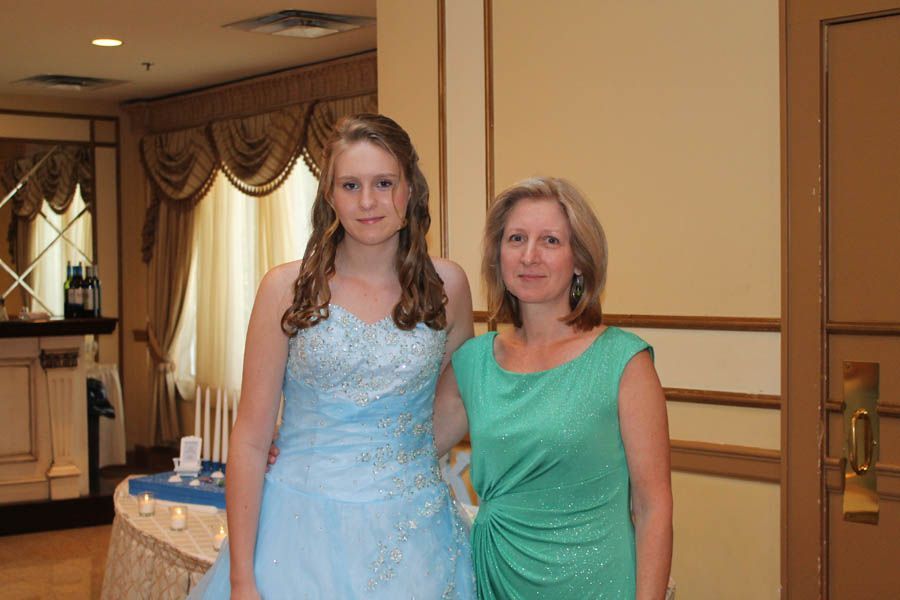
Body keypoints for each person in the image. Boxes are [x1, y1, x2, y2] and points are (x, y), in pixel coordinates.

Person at [190, 114, 476, 599]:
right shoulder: (285, 288)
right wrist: (242, 578)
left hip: (415, 533)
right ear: (329, 194)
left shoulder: (446, 285)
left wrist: (395, 459)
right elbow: (251, 439)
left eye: (384, 183)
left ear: (410, 189)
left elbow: (459, 398)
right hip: (297, 531)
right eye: (351, 185)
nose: (368, 201)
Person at [433, 177, 673, 599]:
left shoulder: (623, 361)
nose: (529, 256)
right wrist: (287, 448)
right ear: (498, 256)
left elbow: (652, 508)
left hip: (596, 583)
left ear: (580, 260)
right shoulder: (473, 362)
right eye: (516, 238)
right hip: (497, 577)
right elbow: (405, 448)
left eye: (550, 241)